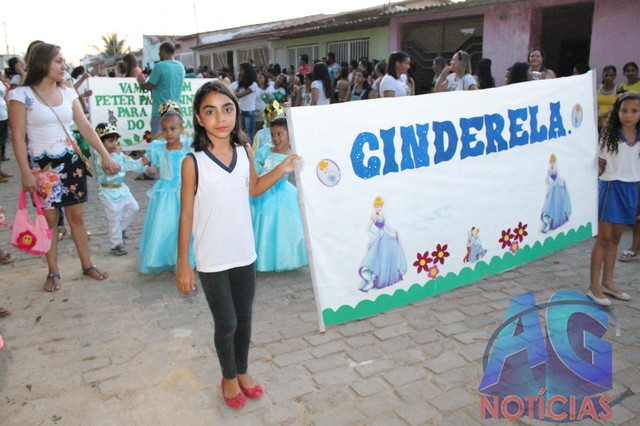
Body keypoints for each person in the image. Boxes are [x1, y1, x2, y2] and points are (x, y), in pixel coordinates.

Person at [175, 81, 300, 409]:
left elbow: (254, 188)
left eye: (227, 109)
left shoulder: (245, 151)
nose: (221, 118)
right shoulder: (192, 162)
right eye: (210, 111)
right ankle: (228, 376)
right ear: (199, 118)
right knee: (227, 322)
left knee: (244, 319)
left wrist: (283, 167)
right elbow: (186, 215)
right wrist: (183, 263)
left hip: (244, 252)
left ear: (236, 112)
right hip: (211, 258)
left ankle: (242, 371)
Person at [8, 42, 120, 291]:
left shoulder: (68, 93)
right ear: (42, 62)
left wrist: (105, 155)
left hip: (71, 163)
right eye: (58, 61)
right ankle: (53, 272)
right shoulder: (20, 95)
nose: (64, 66)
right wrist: (25, 172)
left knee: (76, 216)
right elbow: (17, 137)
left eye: (64, 61)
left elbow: (85, 126)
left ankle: (87, 265)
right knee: (50, 220)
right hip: (43, 168)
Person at [588, 91, 640, 306]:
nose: (628, 115)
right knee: (604, 238)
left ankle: (608, 282)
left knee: (617, 238)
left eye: (634, 111)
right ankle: (594, 286)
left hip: (631, 189)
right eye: (624, 110)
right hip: (611, 188)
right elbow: (600, 166)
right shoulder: (609, 137)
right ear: (617, 111)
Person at [139, 101, 195, 274]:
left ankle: (187, 258)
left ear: (181, 128)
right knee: (166, 226)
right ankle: (166, 258)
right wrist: (123, 164)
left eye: (173, 129)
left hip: (186, 191)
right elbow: (144, 163)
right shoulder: (158, 148)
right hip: (165, 196)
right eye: (164, 129)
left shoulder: (189, 147)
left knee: (187, 225)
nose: (168, 133)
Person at [250, 116, 308, 272]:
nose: (276, 138)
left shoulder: (292, 155)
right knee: (262, 224)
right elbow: (255, 162)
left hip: (282, 194)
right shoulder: (266, 149)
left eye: (280, 134)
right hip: (262, 190)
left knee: (281, 227)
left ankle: (282, 258)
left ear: (289, 134)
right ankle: (262, 257)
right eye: (273, 134)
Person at [94, 123, 151, 256]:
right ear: (100, 142)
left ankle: (121, 229)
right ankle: (116, 244)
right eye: (110, 141)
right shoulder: (101, 157)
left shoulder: (118, 154)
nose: (114, 144)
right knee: (114, 218)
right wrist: (117, 155)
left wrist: (144, 167)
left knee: (134, 208)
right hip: (108, 192)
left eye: (116, 140)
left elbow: (129, 163)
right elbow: (113, 169)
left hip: (122, 189)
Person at [358, 196, 407, 292]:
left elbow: (387, 226)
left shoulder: (382, 216)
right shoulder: (373, 217)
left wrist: (394, 232)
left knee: (386, 258)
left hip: (386, 238)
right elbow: (368, 228)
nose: (379, 208)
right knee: (377, 258)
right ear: (374, 206)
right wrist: (376, 234)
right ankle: (372, 280)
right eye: (377, 206)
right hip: (379, 238)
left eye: (380, 206)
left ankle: (386, 278)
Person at [136, 41, 185, 136]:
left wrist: (141, 83)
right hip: (176, 112)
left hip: (160, 112)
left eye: (159, 51)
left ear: (163, 51)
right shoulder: (181, 66)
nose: (159, 54)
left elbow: (149, 86)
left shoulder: (159, 66)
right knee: (174, 140)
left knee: (158, 141)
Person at [540, 154, 572, 233]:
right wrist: (551, 183)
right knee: (550, 205)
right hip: (553, 191)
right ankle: (550, 222)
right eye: (551, 162)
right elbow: (547, 180)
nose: (552, 163)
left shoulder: (556, 170)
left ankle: (560, 219)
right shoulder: (549, 171)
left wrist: (562, 182)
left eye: (553, 162)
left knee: (558, 204)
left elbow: (559, 178)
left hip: (558, 190)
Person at [230, 63, 258, 143]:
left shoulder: (253, 84)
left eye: (241, 70)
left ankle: (250, 150)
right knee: (242, 135)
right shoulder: (241, 83)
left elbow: (239, 95)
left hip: (249, 112)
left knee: (249, 135)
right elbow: (236, 92)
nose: (240, 72)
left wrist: (230, 91)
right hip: (241, 111)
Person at [597, 65, 617, 131]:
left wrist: (600, 116)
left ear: (615, 76)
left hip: (611, 122)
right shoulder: (597, 88)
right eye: (606, 75)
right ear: (602, 75)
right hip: (597, 122)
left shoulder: (618, 88)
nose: (608, 78)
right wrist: (597, 119)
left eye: (611, 75)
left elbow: (617, 108)